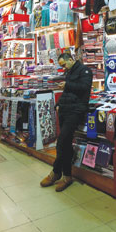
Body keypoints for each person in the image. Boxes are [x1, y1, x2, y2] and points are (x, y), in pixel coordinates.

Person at [40, 51, 92, 192]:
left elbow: (84, 88)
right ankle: (67, 176)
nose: (64, 68)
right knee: (64, 144)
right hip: (65, 109)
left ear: (70, 59)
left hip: (75, 111)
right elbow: (66, 92)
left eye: (64, 64)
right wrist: (58, 104)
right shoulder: (69, 72)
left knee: (63, 141)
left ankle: (56, 172)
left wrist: (67, 85)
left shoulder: (85, 71)